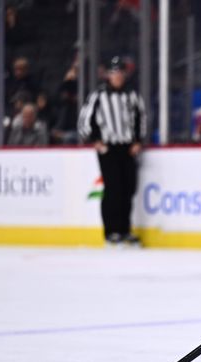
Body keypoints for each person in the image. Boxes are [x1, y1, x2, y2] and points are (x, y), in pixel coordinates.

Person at [78, 56, 146, 246]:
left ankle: (124, 230)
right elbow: (84, 121)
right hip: (108, 149)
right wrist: (95, 141)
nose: (117, 76)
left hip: (128, 148)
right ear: (108, 75)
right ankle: (111, 231)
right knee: (113, 189)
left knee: (128, 189)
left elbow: (142, 117)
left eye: (120, 73)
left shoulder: (132, 95)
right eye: (114, 73)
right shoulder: (98, 96)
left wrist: (138, 141)